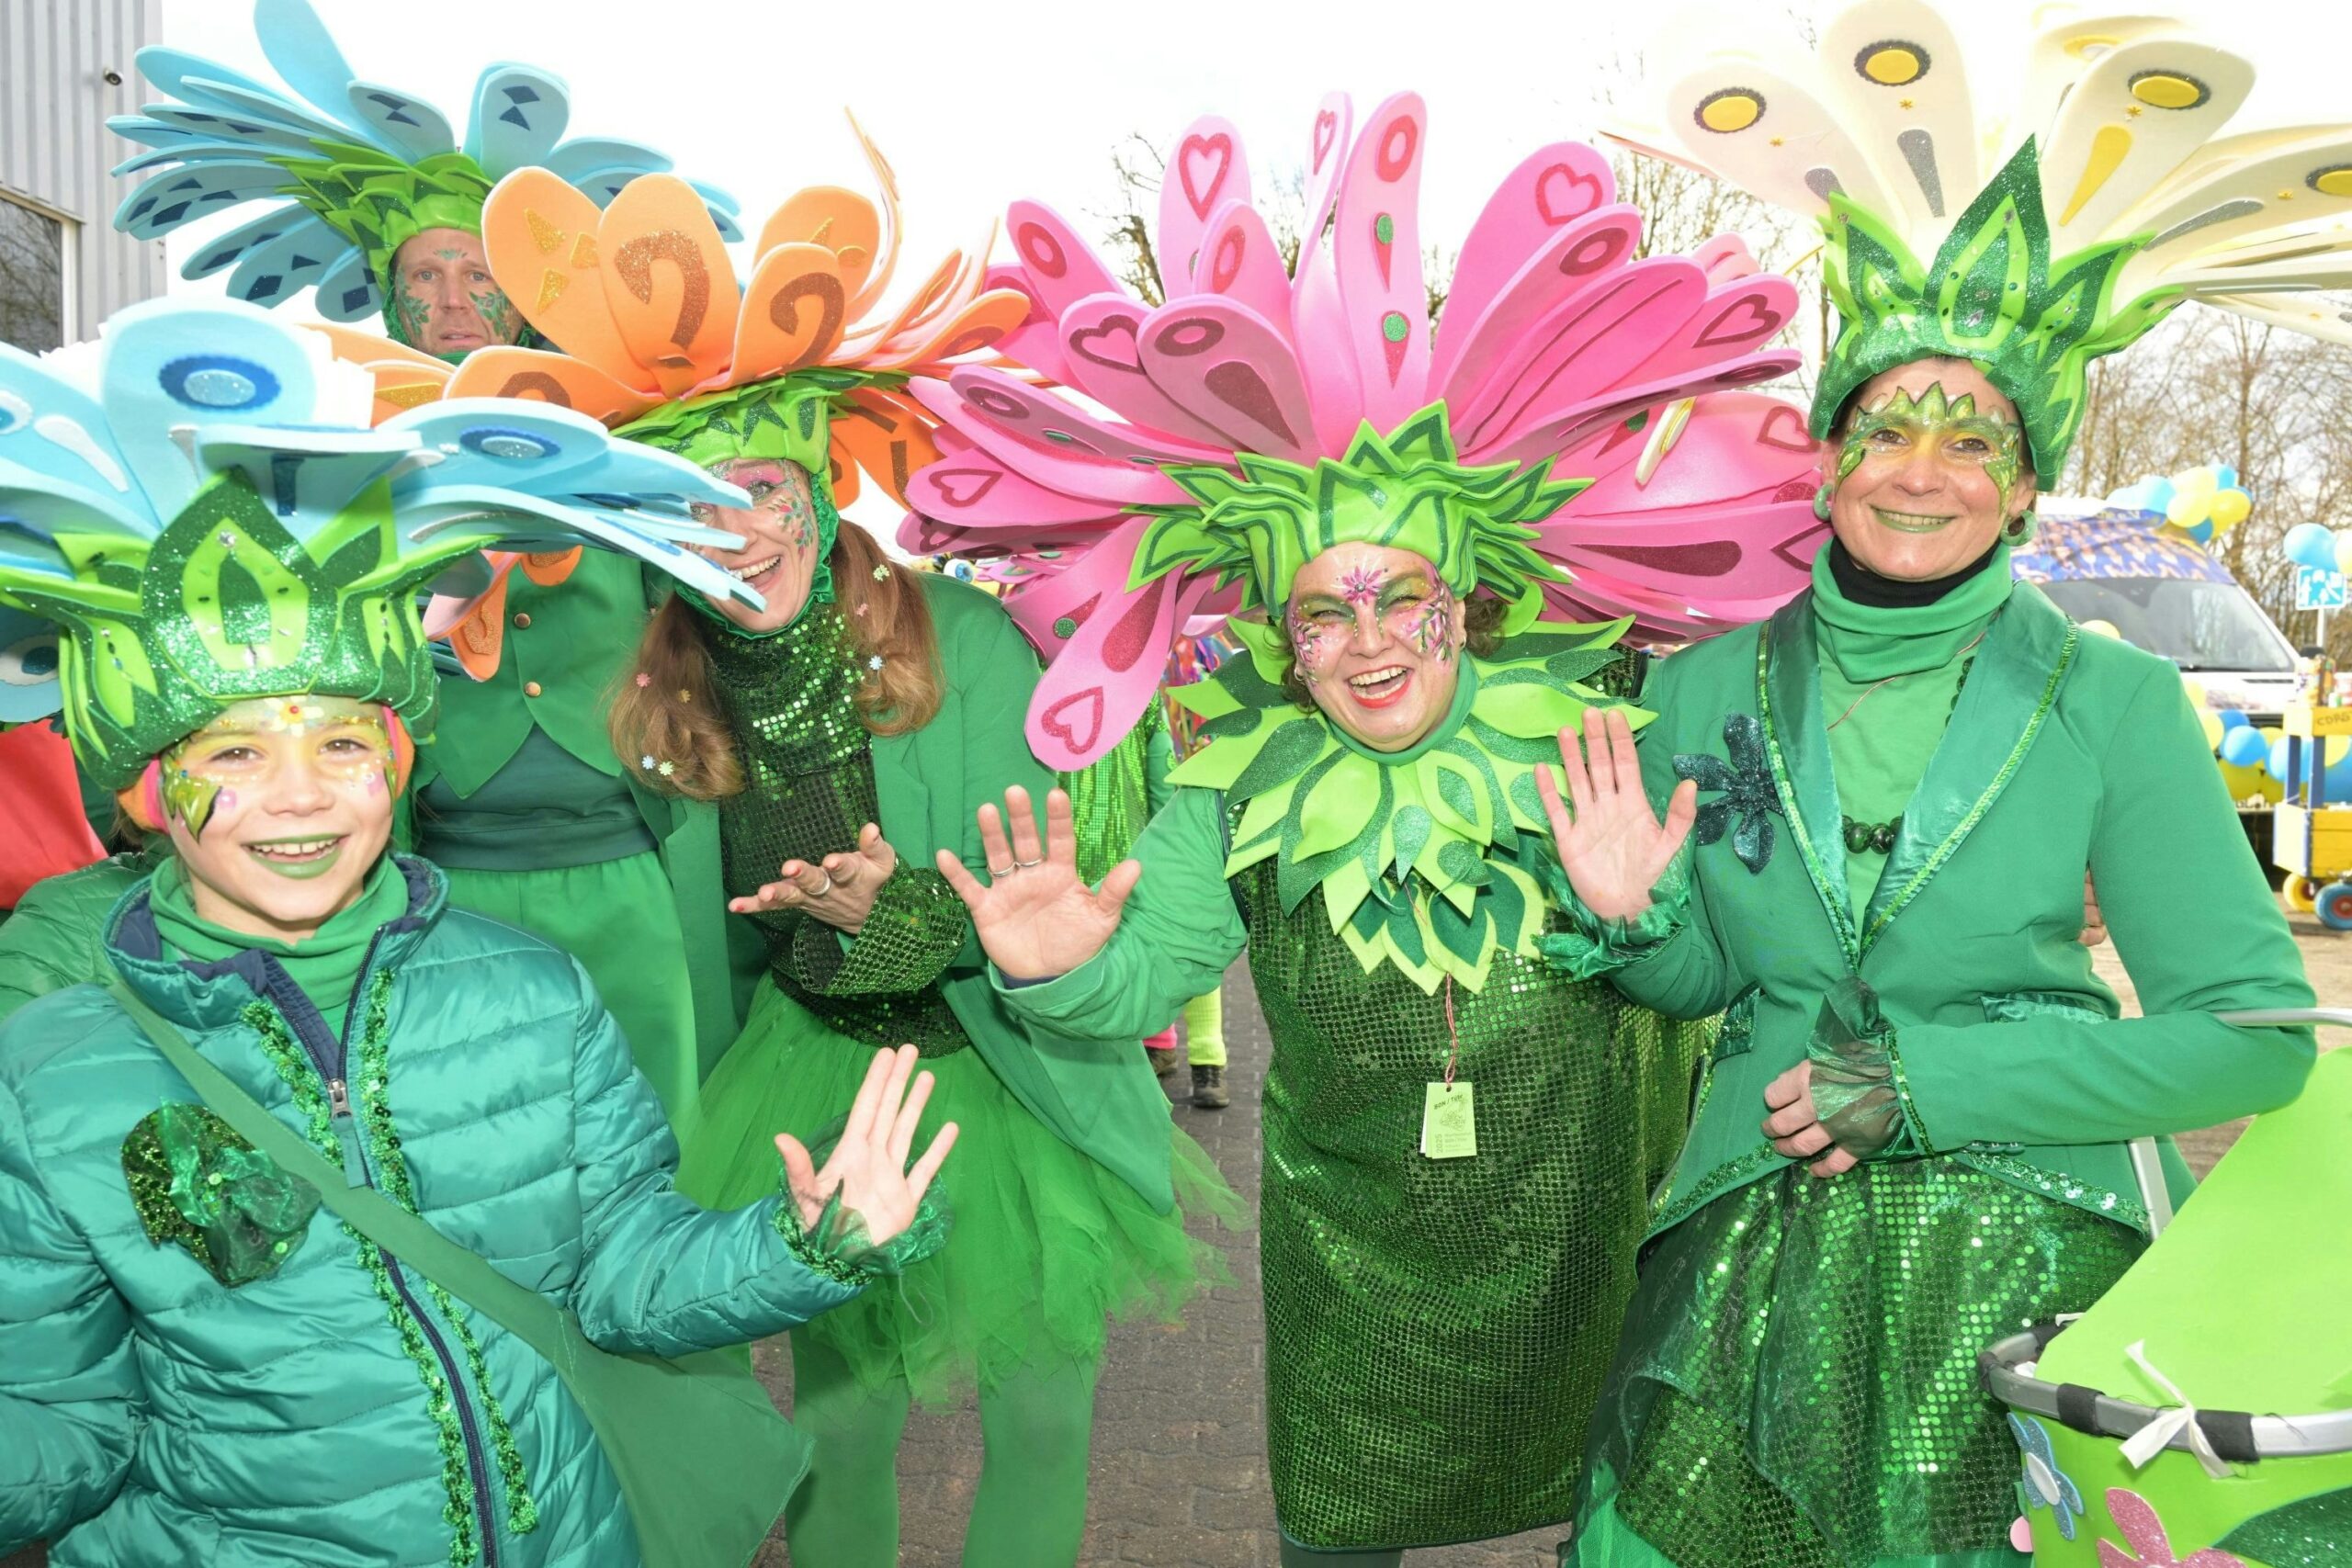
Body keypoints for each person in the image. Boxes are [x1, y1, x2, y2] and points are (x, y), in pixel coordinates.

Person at [916, 96, 1828, 1563]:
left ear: (1467, 602)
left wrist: (1641, 914)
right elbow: (1144, 978)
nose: (1372, 640)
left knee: (1618, 1509)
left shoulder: (1591, 742)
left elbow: (1715, 970)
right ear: (1283, 634)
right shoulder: (1234, 787)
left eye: (1405, 595)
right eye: (1326, 610)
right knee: (1339, 1530)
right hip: (1357, 1261)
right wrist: (1058, 970)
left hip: (1585, 1237)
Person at [1553, 6, 2341, 1561]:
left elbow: (2250, 1041)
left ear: (2030, 477)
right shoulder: (1706, 687)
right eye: (1886, 423)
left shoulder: (2111, 702)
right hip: (1746, 1252)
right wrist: (1633, 919)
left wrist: (1927, 1086)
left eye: (1974, 435)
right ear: (1827, 458)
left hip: (2022, 1257)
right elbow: (1726, 965)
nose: (1924, 467)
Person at [0, 298, 955, 1566]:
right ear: (145, 786)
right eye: (235, 750)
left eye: (343, 742)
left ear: (397, 761)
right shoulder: (51, 1073)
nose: (299, 795)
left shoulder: (533, 991)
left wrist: (798, 1244)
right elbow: (70, 1416)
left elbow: (619, 1273)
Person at [466, 148, 1234, 1568]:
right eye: (686, 502)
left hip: (999, 1066)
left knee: (1046, 1415)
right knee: (843, 1422)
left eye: (756, 485)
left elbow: (1034, 904)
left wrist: (904, 916)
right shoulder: (668, 693)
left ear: (817, 489)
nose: (732, 527)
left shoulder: (970, 645)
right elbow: (712, 940)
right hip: (815, 1067)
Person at [108, 0, 760, 1116]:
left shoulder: (631, 432)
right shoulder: (328, 454)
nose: (453, 298)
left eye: (478, 271)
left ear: (527, 289)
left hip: (632, 871)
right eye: (425, 275)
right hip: (435, 882)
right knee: (467, 1132)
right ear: (387, 293)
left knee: (655, 1132)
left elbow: (725, 612)